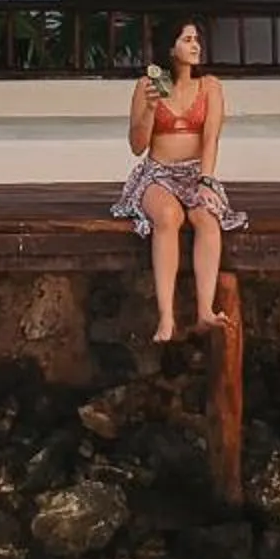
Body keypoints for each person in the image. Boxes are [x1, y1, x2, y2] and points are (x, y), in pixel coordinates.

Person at [113, 18, 245, 343]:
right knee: (169, 217)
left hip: (195, 174)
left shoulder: (210, 86)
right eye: (187, 39)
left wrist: (206, 182)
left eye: (196, 39)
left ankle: (204, 311)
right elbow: (137, 146)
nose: (195, 45)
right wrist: (150, 109)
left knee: (207, 218)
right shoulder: (148, 84)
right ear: (171, 48)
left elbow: (211, 139)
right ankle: (166, 317)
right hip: (157, 174)